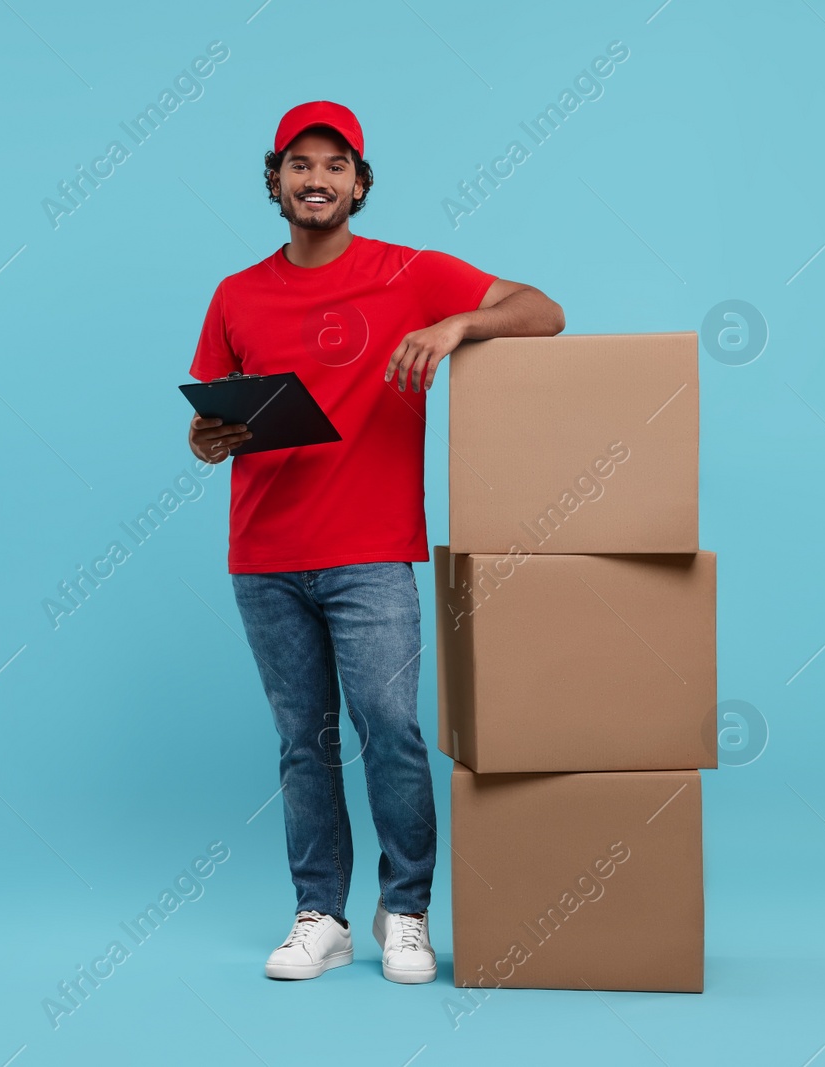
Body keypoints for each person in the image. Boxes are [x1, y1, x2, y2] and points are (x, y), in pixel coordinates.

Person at [187, 101, 564, 984]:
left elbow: (543, 311)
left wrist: (458, 324)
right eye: (299, 165)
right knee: (303, 738)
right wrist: (206, 438)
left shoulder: (411, 273)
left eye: (334, 165)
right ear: (275, 181)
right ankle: (321, 912)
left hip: (371, 550)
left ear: (359, 183)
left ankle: (407, 909)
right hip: (264, 553)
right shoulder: (236, 293)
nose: (315, 179)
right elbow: (214, 413)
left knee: (389, 727)